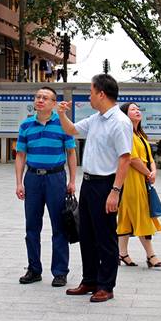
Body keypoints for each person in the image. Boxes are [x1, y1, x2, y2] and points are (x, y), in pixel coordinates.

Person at [56, 74, 132, 302]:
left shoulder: (120, 122)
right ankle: (89, 280)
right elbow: (71, 130)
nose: (89, 96)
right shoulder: (97, 119)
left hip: (106, 184)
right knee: (87, 234)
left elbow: (125, 158)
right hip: (89, 183)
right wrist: (61, 114)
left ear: (101, 94)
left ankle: (106, 285)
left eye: (91, 92)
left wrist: (115, 191)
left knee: (105, 236)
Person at [15, 87, 77, 287]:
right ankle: (34, 269)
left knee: (59, 226)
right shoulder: (26, 125)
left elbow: (71, 153)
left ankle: (60, 272)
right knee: (32, 226)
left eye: (45, 98)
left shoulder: (63, 124)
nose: (40, 100)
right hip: (32, 178)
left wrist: (72, 181)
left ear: (53, 103)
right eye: (38, 97)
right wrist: (19, 182)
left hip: (56, 178)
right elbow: (20, 155)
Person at [116, 103, 161, 269]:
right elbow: (132, 159)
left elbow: (149, 157)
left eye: (138, 109)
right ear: (125, 115)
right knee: (142, 215)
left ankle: (121, 253)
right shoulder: (126, 133)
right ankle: (151, 255)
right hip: (131, 180)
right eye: (132, 109)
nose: (137, 111)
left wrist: (153, 171)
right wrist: (148, 173)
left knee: (126, 216)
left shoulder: (141, 134)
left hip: (142, 179)